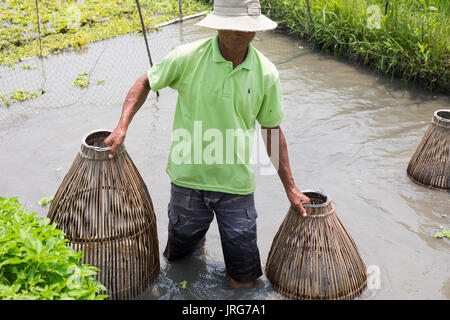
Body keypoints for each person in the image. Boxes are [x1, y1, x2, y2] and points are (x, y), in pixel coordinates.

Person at [104, 0, 310, 289]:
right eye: (233, 25)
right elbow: (146, 82)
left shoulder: (266, 73)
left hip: (236, 186)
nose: (240, 32)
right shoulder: (187, 57)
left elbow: (271, 130)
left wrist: (290, 186)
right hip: (188, 181)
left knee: (245, 280)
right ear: (218, 24)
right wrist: (122, 125)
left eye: (247, 27)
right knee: (179, 262)